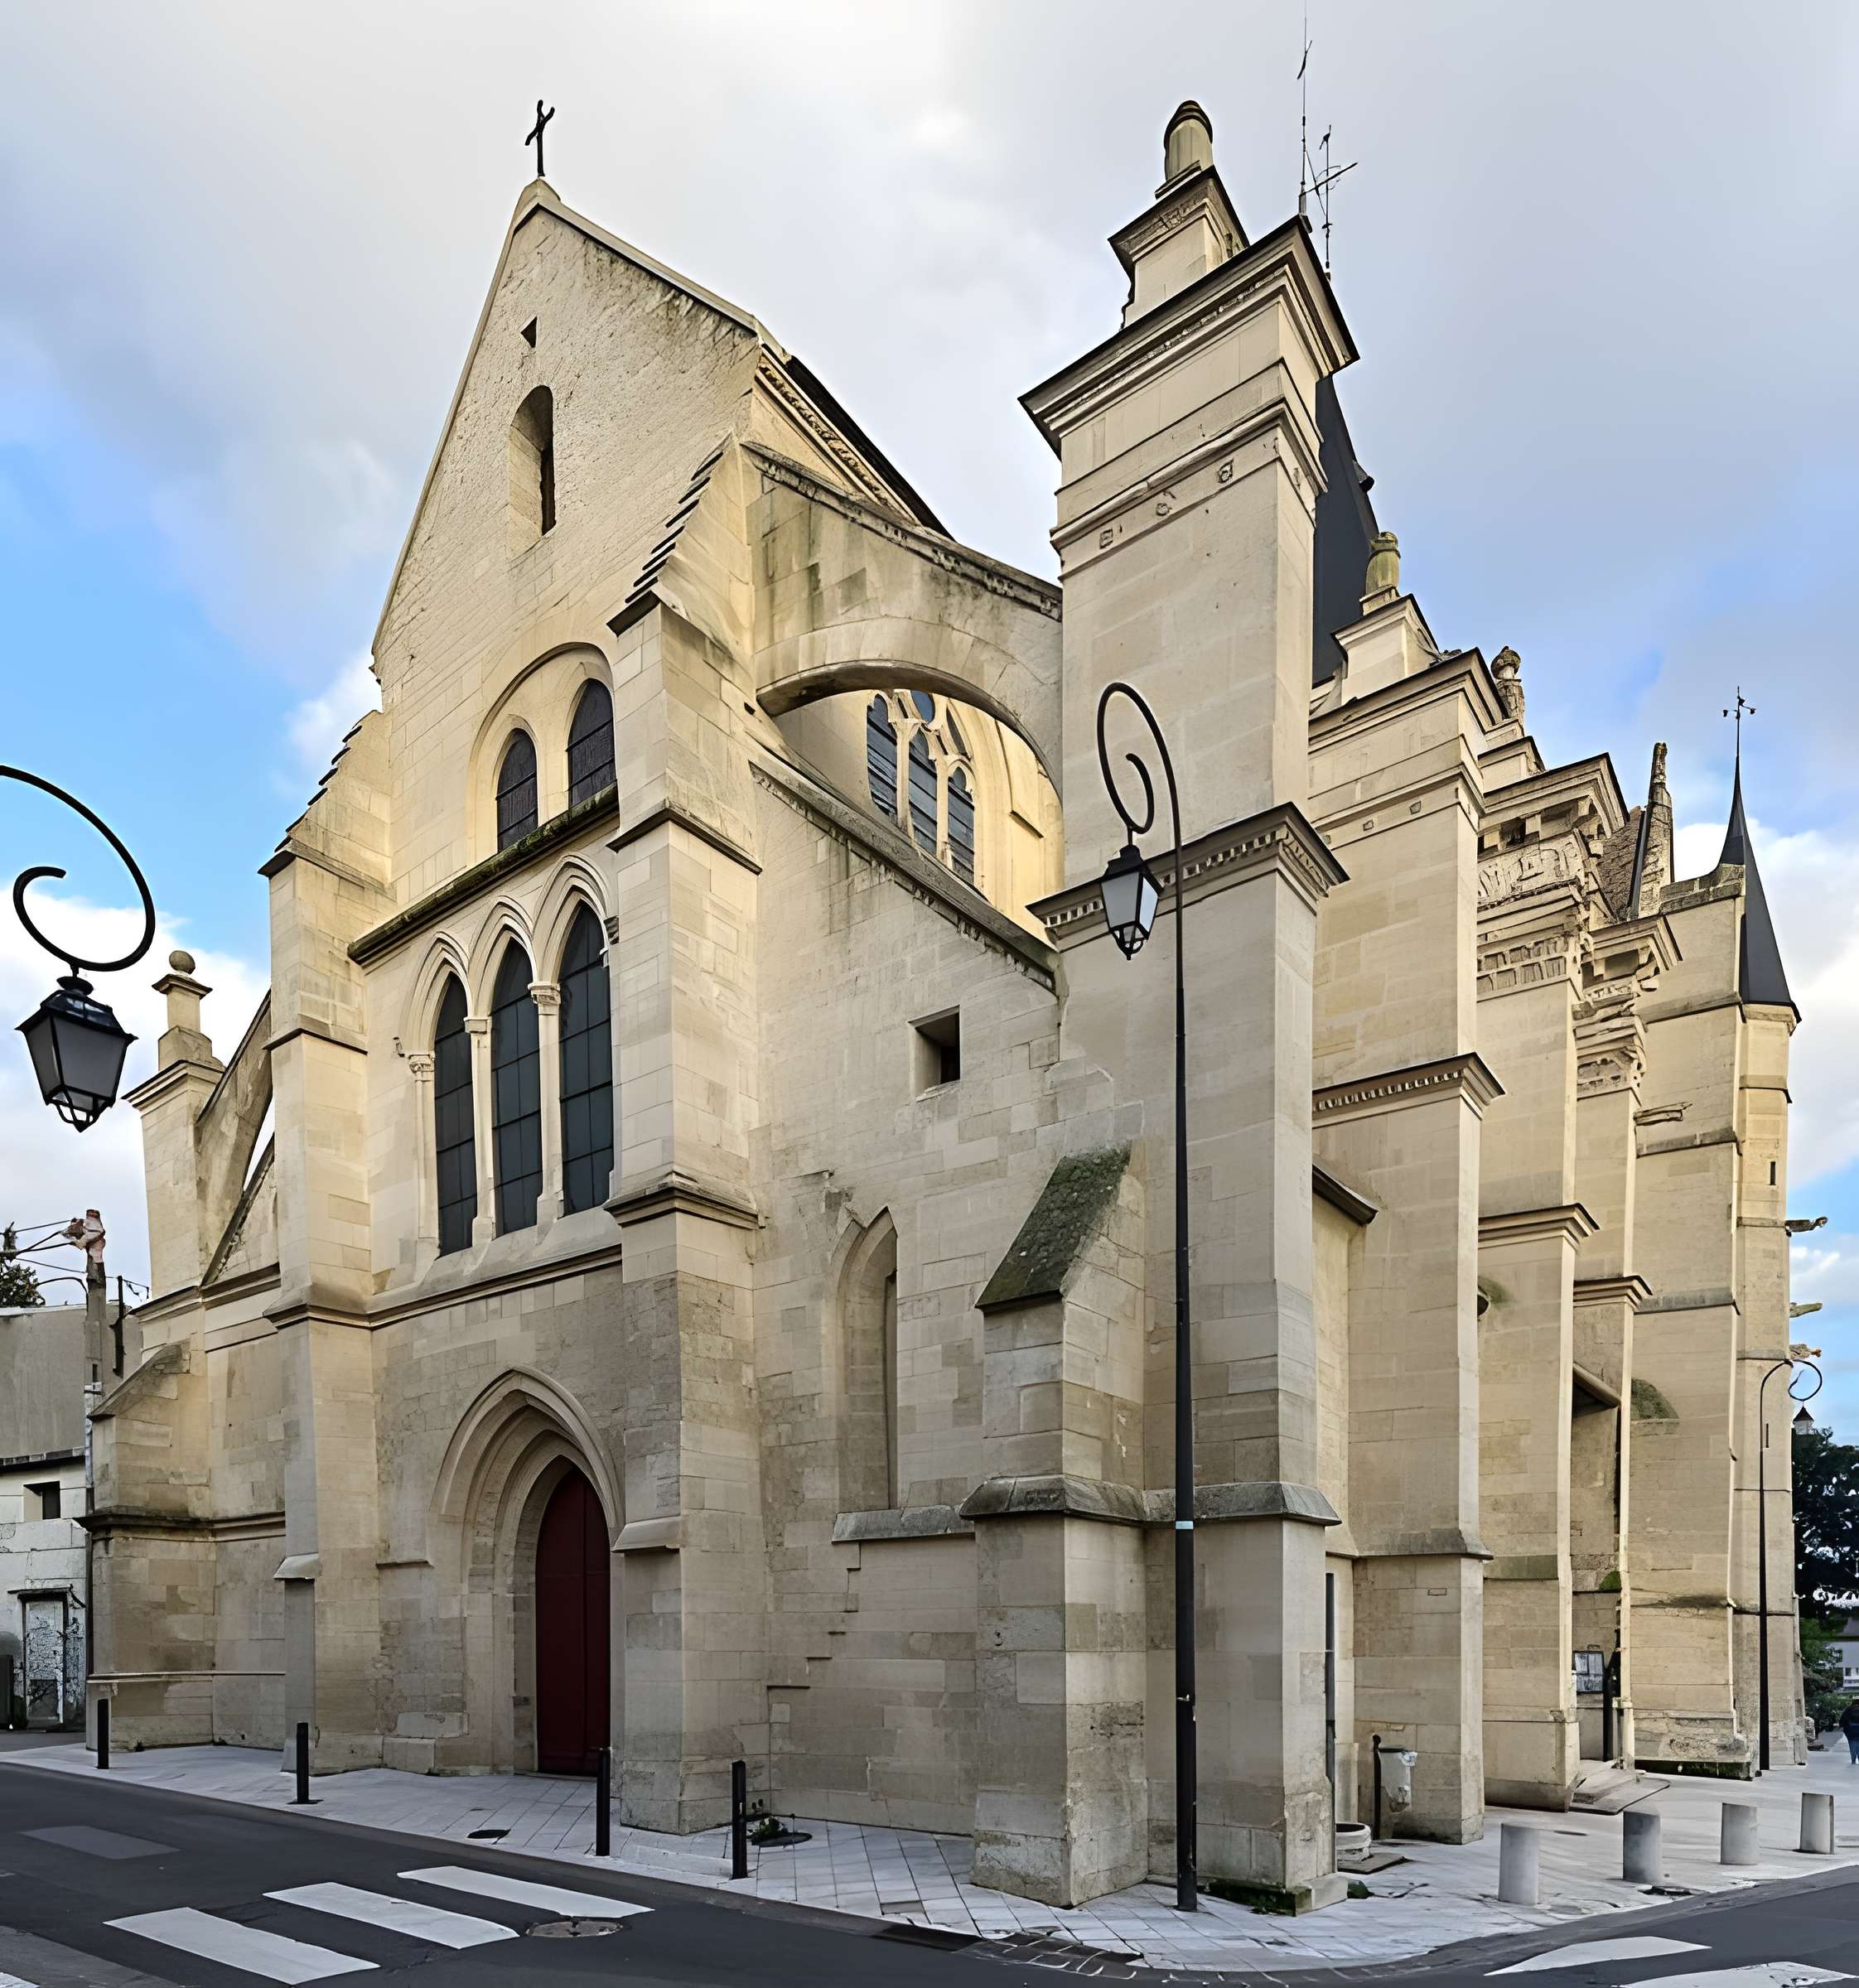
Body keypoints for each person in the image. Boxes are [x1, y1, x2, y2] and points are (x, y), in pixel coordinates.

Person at [1840, 1699, 1859, 1764]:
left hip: (1850, 1730)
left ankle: (1853, 1760)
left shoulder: (1848, 1709)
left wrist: (1842, 1727)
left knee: (1852, 1744)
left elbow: (1843, 1720)